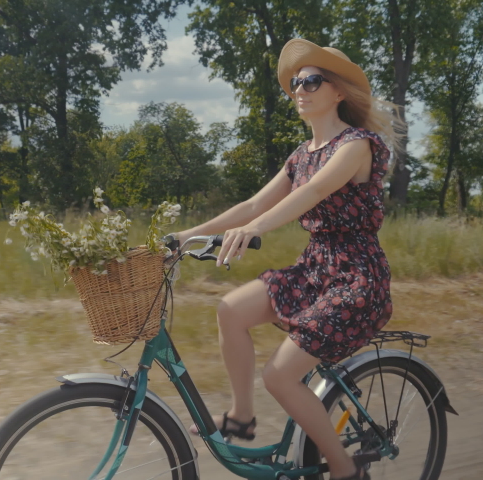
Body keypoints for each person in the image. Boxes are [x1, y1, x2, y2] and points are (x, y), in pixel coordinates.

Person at [172, 39, 406, 480]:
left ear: (337, 91)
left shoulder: (357, 146)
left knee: (279, 376)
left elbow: (313, 193)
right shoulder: (300, 155)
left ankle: (344, 469)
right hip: (315, 268)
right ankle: (242, 417)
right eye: (296, 82)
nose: (300, 88)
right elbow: (250, 205)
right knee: (230, 310)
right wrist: (183, 236)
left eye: (312, 80)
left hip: (356, 278)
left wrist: (258, 230)